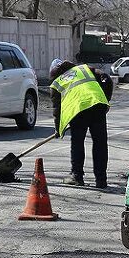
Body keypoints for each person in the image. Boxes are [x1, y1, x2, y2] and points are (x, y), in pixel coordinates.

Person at [50, 58, 113, 188]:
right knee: (100, 144)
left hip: (78, 111)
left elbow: (57, 110)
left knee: (77, 143)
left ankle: (77, 176)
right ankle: (101, 180)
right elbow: (107, 78)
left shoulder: (57, 83)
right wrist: (105, 100)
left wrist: (58, 129)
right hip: (97, 105)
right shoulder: (85, 68)